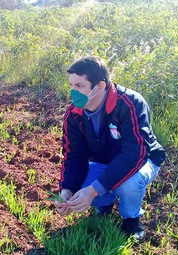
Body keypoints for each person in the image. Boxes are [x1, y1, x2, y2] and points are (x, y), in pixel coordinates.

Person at [55, 56, 166, 240]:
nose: (73, 93)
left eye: (80, 86)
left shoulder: (130, 103)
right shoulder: (74, 113)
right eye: (72, 86)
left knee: (129, 183)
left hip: (142, 161)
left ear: (100, 86)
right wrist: (67, 190)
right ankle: (105, 203)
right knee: (77, 189)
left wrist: (93, 190)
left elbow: (134, 154)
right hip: (103, 161)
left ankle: (131, 218)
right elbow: (73, 155)